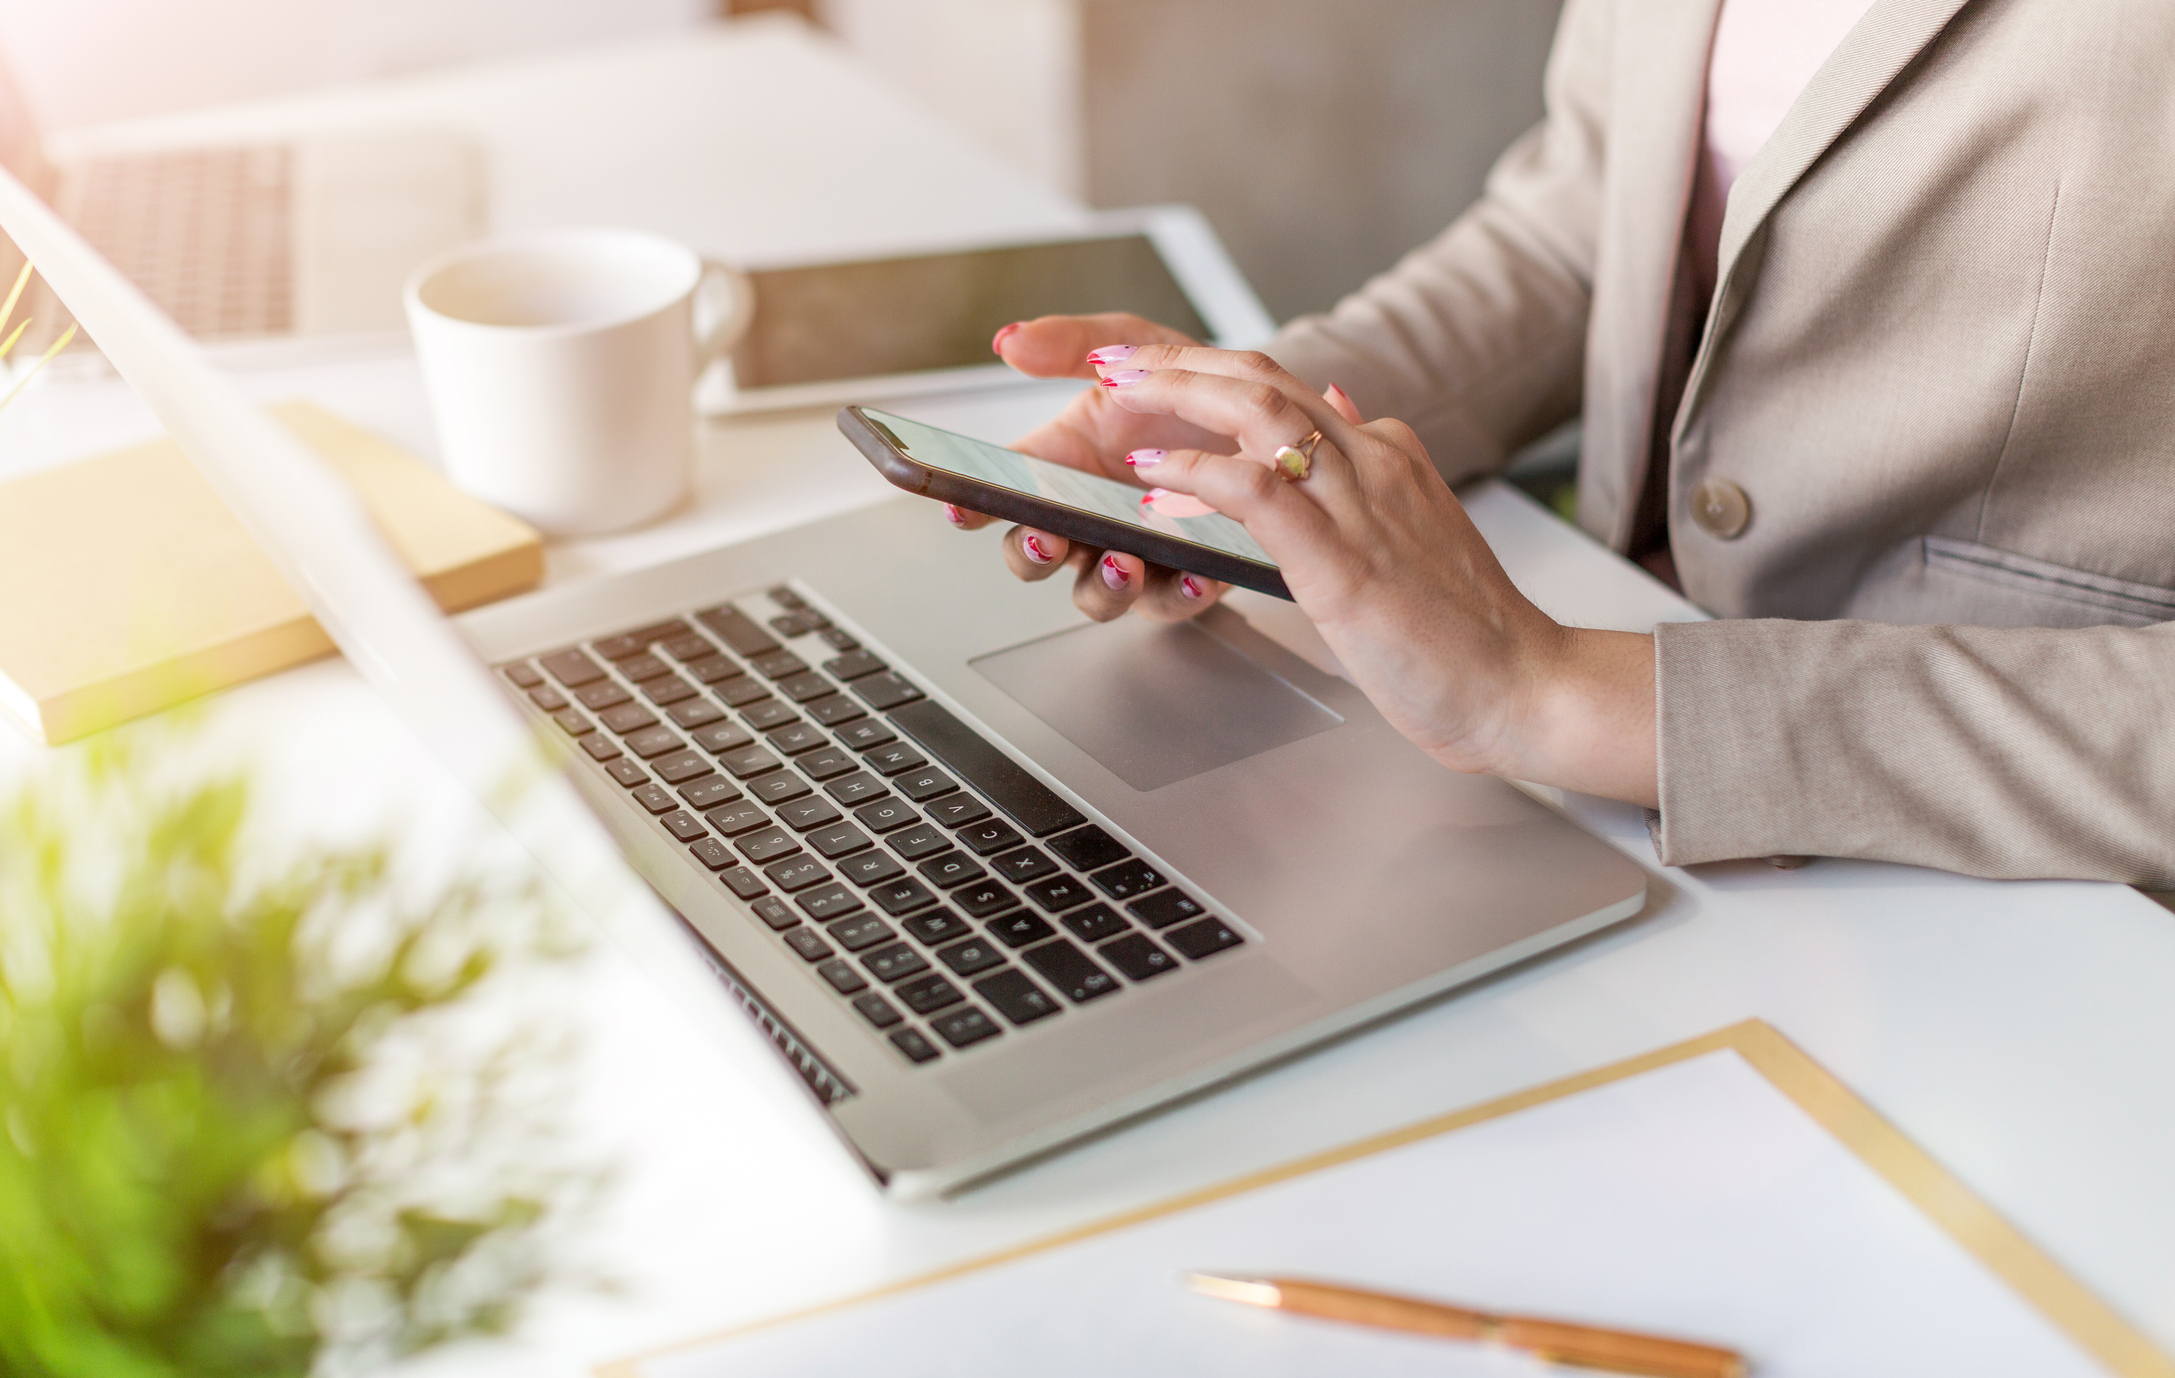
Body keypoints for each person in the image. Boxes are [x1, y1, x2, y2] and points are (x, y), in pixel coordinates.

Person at [943, 0, 2175, 888]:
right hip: (1623, 788)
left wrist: (1566, 693)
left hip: (2027, 893)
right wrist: (1269, 435)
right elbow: (1593, 218)